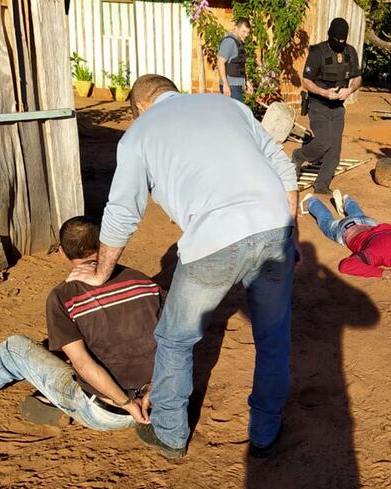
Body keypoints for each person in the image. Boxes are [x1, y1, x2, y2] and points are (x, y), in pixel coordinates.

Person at [68, 74, 298, 459]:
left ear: (139, 107)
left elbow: (123, 211)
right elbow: (282, 166)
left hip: (213, 238)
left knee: (175, 338)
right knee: (273, 338)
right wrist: (291, 234)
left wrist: (101, 271)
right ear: (172, 91)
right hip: (275, 225)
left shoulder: (139, 135)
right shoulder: (228, 105)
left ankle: (171, 434)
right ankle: (264, 432)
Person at [0, 216, 161, 439]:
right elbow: (177, 339)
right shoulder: (142, 280)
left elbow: (82, 364)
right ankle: (48, 401)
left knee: (14, 349)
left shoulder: (63, 296)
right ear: (103, 245)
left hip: (110, 413)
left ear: (62, 253)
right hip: (158, 402)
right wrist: (150, 392)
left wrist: (126, 403)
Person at [292, 17, 362, 195]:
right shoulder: (318, 52)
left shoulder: (350, 52)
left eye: (343, 39)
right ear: (330, 35)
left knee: (335, 149)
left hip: (338, 107)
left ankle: (322, 185)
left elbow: (357, 78)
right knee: (323, 143)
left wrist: (349, 90)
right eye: (336, 38)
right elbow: (306, 80)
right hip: (318, 105)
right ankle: (299, 156)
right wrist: (324, 93)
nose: (340, 42)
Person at [217, 17, 252, 102]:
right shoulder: (229, 42)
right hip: (230, 86)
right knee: (233, 114)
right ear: (236, 28)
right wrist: (225, 84)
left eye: (248, 32)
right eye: (243, 31)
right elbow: (220, 62)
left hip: (236, 86)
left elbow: (238, 65)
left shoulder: (238, 42)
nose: (246, 35)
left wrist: (246, 82)